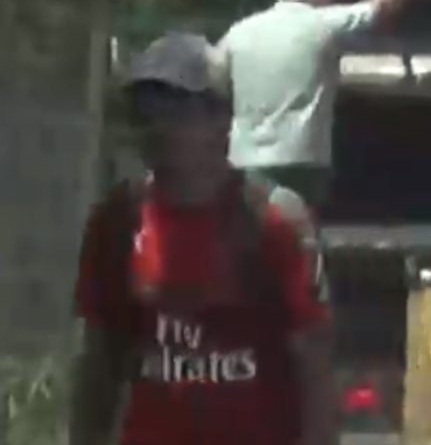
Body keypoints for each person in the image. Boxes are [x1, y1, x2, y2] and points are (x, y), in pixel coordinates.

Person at [69, 33, 335, 445]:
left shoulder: (273, 219)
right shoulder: (119, 220)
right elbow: (99, 361)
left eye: (176, 110)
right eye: (144, 111)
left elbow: (313, 365)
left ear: (221, 119)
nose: (156, 126)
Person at [214, 0, 429, 208]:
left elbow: (212, 82)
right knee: (297, 234)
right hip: (301, 157)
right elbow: (379, 9)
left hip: (245, 159)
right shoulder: (321, 24)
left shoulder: (238, 32)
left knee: (250, 235)